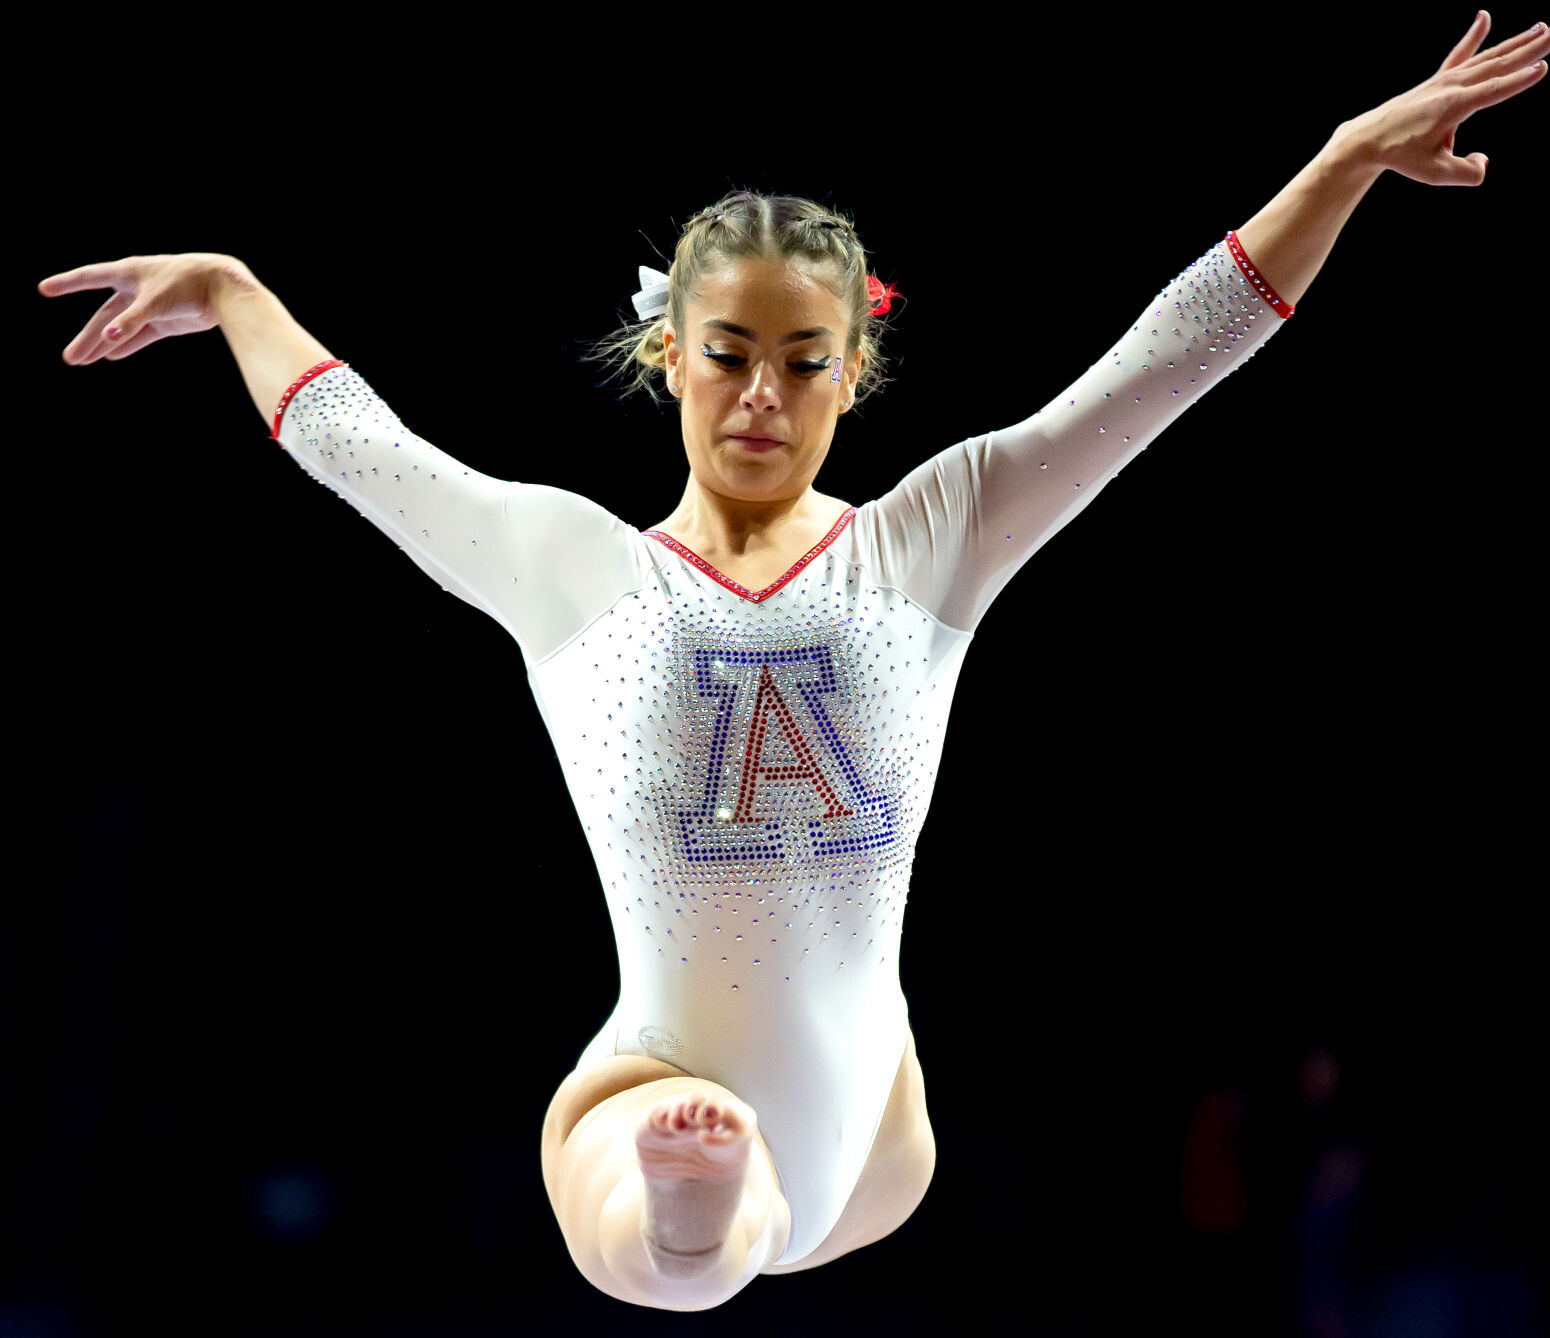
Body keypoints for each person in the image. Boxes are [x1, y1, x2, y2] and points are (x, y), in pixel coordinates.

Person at [37, 14, 1547, 1314]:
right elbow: (362, 446)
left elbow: (1160, 362)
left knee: (756, 1194)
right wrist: (235, 289)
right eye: (729, 352)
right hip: (649, 1071)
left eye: (803, 358)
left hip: (870, 1109)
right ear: (667, 356)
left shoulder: (935, 534)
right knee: (667, 1231)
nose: (762, 392)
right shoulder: (572, 565)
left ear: (852, 368)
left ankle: (722, 1200)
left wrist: (1342, 161)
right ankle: (695, 1210)